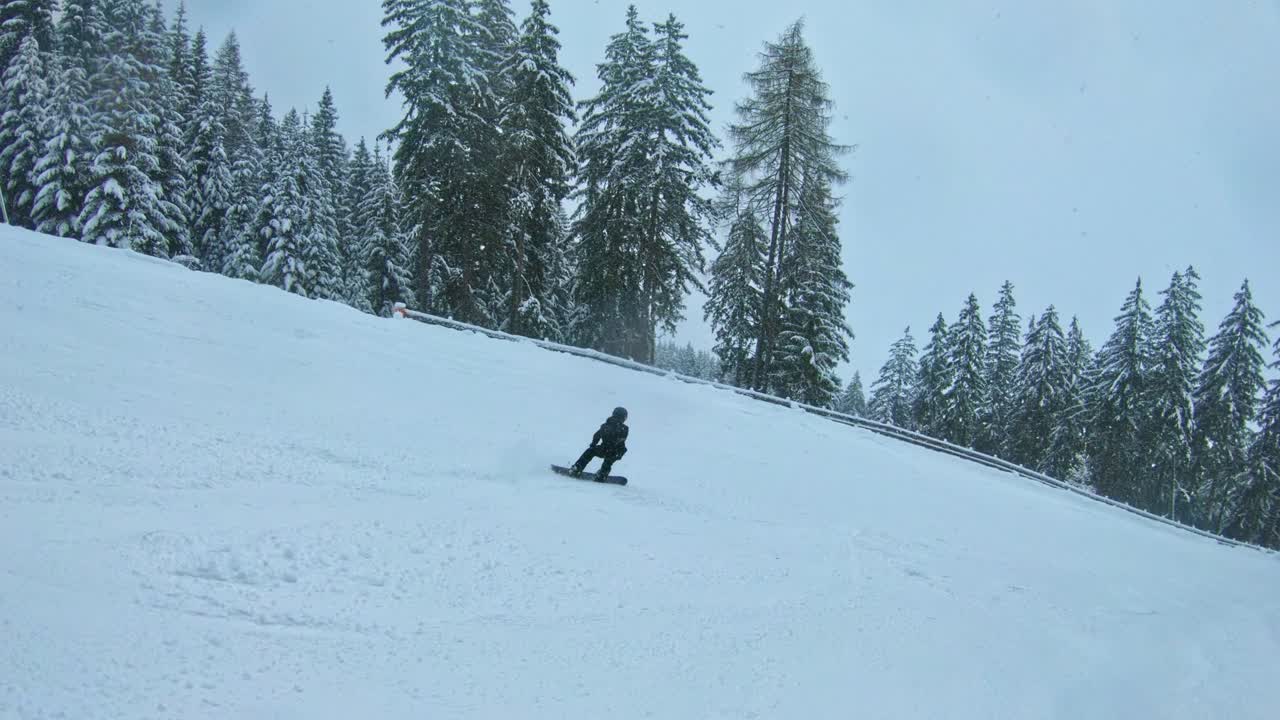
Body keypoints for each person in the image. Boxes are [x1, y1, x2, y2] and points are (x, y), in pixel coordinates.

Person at [570, 407, 629, 481]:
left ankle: (577, 468)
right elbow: (621, 439)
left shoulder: (605, 425)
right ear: (623, 417)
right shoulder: (624, 428)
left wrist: (593, 445)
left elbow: (597, 435)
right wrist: (617, 450)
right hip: (616, 451)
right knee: (609, 461)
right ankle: (602, 474)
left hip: (604, 449)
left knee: (590, 452)